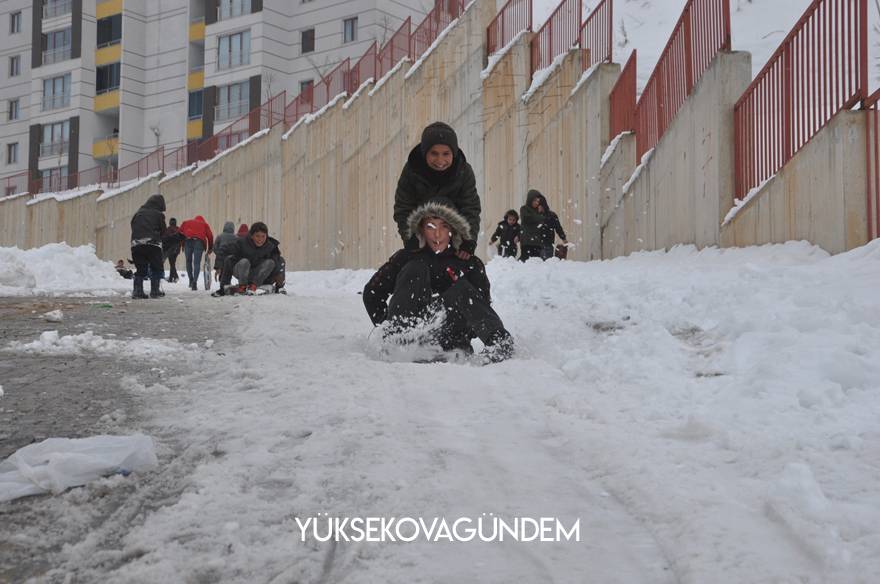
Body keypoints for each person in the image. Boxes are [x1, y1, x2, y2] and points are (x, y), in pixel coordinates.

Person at [363, 200, 514, 362]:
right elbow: (372, 293)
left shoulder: (468, 262)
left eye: (444, 226)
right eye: (430, 226)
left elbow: (482, 304)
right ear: (421, 229)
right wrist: (387, 324)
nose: (437, 234)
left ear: (453, 230)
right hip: (408, 339)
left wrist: (463, 332)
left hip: (450, 342)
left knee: (461, 287)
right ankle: (398, 338)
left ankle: (499, 343)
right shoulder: (406, 257)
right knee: (415, 268)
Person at [393, 122, 481, 261]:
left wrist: (468, 240)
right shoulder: (412, 171)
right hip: (423, 236)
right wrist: (410, 238)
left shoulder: (463, 171)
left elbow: (470, 207)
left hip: (453, 237)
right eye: (434, 153)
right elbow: (403, 207)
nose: (440, 160)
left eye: (446, 154)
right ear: (424, 152)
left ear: (454, 153)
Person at [215, 222, 286, 295]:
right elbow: (223, 251)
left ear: (266, 236)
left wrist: (279, 280)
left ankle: (256, 286)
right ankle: (242, 286)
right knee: (242, 261)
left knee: (277, 261)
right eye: (257, 236)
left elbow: (278, 262)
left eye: (263, 236)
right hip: (243, 273)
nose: (260, 239)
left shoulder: (270, 246)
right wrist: (219, 267)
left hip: (259, 276)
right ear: (252, 236)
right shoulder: (242, 243)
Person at [129, 194, 166, 299]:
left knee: (140, 268)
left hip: (136, 244)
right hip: (153, 244)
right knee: (156, 267)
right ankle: (155, 291)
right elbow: (163, 230)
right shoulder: (158, 214)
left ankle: (138, 291)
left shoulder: (138, 213)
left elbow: (133, 226)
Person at [520, 189, 567, 261]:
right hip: (535, 244)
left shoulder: (551, 215)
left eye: (539, 203)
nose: (537, 204)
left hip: (547, 243)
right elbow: (524, 225)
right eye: (536, 202)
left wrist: (563, 238)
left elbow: (558, 228)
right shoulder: (531, 213)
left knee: (544, 264)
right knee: (533, 263)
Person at [178, 215, 214, 290]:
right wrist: (210, 248)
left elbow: (179, 232)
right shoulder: (204, 224)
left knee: (188, 261)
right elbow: (210, 236)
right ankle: (194, 283)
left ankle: (190, 280)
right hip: (199, 242)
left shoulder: (186, 222)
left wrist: (181, 244)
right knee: (196, 263)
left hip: (187, 241)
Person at [161, 218, 183, 282]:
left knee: (172, 263)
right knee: (172, 263)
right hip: (177, 249)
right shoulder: (179, 229)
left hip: (170, 249)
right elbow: (182, 238)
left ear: (170, 222)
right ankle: (171, 278)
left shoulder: (167, 229)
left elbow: (164, 239)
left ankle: (175, 277)